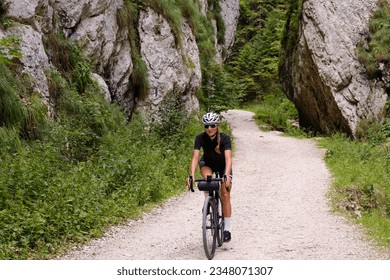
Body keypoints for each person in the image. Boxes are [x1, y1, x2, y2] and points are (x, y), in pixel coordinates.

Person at [186, 112, 233, 242]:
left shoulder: (225, 138)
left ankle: (227, 229)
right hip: (208, 163)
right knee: (207, 181)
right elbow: (195, 157)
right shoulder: (200, 138)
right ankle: (208, 200)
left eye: (212, 125)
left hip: (223, 165)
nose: (209, 128)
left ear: (217, 125)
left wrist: (227, 175)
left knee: (225, 194)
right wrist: (191, 175)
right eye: (206, 126)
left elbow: (228, 158)